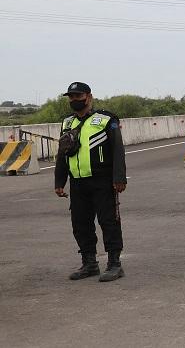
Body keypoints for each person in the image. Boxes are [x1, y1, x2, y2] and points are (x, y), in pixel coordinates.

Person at [54, 82, 127, 282]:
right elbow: (63, 153)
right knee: (80, 224)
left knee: (108, 222)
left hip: (102, 181)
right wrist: (59, 181)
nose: (74, 100)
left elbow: (117, 150)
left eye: (78, 96)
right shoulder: (67, 123)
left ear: (89, 96)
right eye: (71, 97)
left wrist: (119, 178)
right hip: (77, 182)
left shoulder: (106, 119)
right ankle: (89, 264)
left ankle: (114, 264)